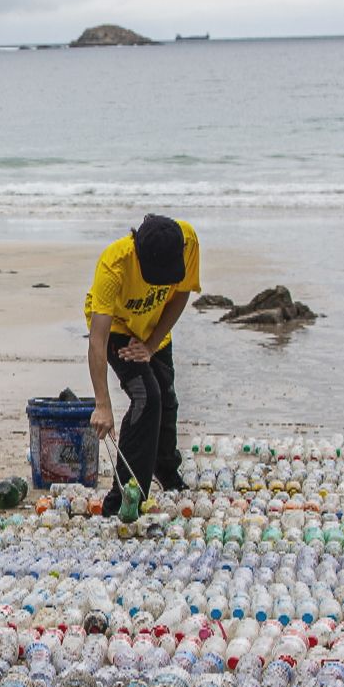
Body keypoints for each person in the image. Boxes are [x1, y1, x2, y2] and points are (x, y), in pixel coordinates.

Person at [85, 213, 202, 516]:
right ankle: (125, 493)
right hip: (117, 329)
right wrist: (103, 404)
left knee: (167, 398)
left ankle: (165, 468)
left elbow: (181, 294)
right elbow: (97, 339)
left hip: (154, 329)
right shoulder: (114, 264)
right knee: (147, 397)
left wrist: (151, 346)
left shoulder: (186, 240)